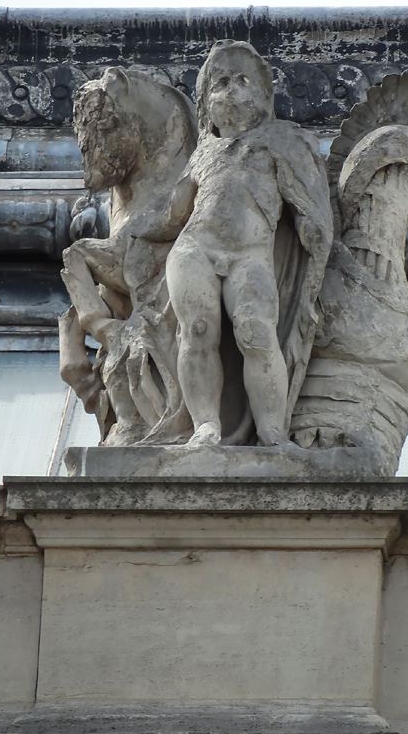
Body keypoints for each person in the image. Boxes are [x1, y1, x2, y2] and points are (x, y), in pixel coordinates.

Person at [139, 40, 333, 448]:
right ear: (206, 99)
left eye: (243, 79)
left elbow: (309, 201)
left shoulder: (283, 140)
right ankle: (205, 425)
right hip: (194, 248)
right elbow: (176, 213)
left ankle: (271, 431)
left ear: (263, 94)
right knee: (196, 329)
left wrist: (313, 229)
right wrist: (134, 232)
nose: (230, 88)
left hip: (250, 254)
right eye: (221, 80)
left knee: (256, 332)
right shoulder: (202, 153)